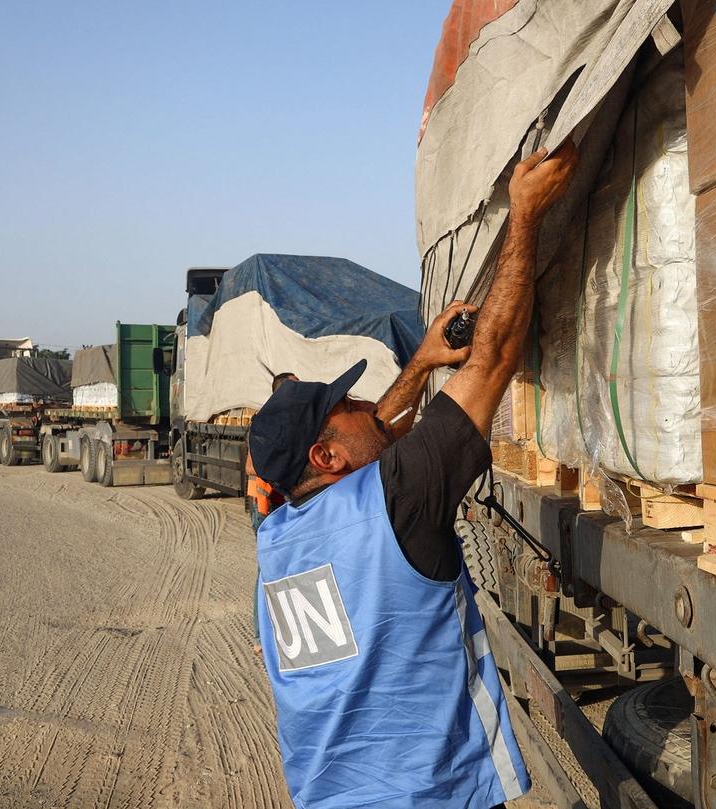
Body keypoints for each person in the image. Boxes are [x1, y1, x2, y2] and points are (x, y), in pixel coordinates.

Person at [247, 142, 577, 809]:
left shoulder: (276, 537)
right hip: (427, 795)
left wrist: (423, 363)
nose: (371, 406)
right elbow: (493, 361)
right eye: (351, 405)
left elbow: (377, 440)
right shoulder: (394, 502)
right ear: (324, 458)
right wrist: (525, 216)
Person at [246, 372, 298, 654]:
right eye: (296, 386)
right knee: (266, 570)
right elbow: (251, 467)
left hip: (281, 503)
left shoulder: (288, 419)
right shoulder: (264, 420)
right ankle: (259, 637)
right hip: (265, 506)